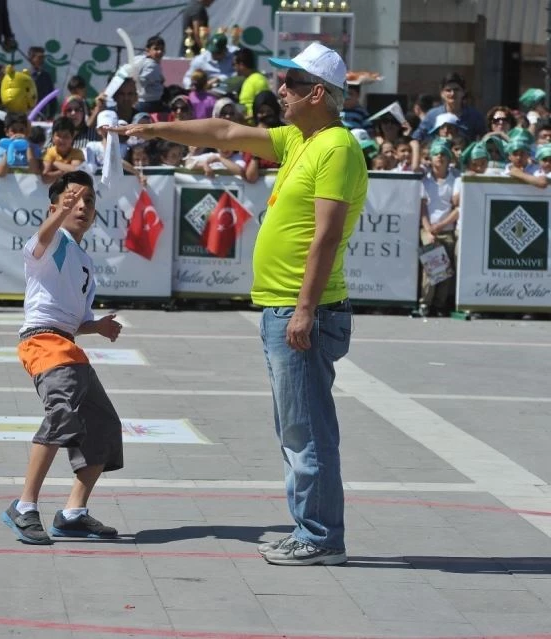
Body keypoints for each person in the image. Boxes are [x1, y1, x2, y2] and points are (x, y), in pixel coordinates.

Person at [114, 42, 366, 566]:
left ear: (317, 92)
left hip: (304, 313)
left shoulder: (336, 146)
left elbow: (324, 237)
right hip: (286, 308)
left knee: (306, 429)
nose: (281, 91)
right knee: (296, 427)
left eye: (291, 83)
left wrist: (303, 309)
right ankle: (310, 530)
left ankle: (320, 537)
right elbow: (225, 133)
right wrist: (154, 129)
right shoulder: (302, 138)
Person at [0, 170, 123, 545]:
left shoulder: (85, 261)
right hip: (43, 342)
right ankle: (24, 506)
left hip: (67, 345)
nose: (82, 205)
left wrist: (97, 326)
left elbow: (74, 318)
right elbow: (41, 237)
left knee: (104, 426)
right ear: (55, 206)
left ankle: (73, 513)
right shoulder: (51, 243)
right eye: (73, 199)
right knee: (61, 414)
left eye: (89, 200)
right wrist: (57, 214)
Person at [419, 139, 458, 317]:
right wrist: (429, 229)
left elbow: (457, 207)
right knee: (432, 265)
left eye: (443, 154)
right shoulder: (424, 181)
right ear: (431, 158)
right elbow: (423, 207)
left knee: (445, 270)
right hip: (428, 230)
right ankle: (425, 304)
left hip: (447, 229)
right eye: (436, 154)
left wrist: (441, 226)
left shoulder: (455, 180)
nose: (440, 157)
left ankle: (439, 305)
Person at [0, 112, 41, 176]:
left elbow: (34, 170)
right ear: (6, 132)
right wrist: (9, 148)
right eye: (14, 131)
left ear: (26, 131)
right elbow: (0, 173)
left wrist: (28, 146)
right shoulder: (0, 150)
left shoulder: (34, 149)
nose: (18, 134)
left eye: (21, 130)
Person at [42, 117, 84, 184]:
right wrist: (64, 172)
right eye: (58, 135)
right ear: (52, 137)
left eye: (66, 136)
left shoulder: (78, 153)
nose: (62, 140)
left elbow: (76, 171)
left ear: (72, 137)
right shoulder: (49, 152)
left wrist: (54, 164)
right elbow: (45, 178)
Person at [234, 48, 269, 121]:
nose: (234, 68)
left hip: (254, 127)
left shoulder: (258, 79)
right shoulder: (247, 79)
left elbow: (264, 107)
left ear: (241, 64)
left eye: (234, 64)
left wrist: (245, 119)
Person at [133, 36, 166, 114]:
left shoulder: (141, 60)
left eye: (162, 49)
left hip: (143, 102)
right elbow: (143, 80)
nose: (160, 52)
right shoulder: (152, 65)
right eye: (156, 49)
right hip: (149, 104)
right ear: (148, 50)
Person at [28, 46, 58, 120]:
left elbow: (52, 98)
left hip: (42, 117)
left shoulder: (46, 76)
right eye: (39, 57)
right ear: (31, 59)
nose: (42, 60)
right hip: (27, 116)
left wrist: (51, 115)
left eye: (43, 57)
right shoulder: (25, 76)